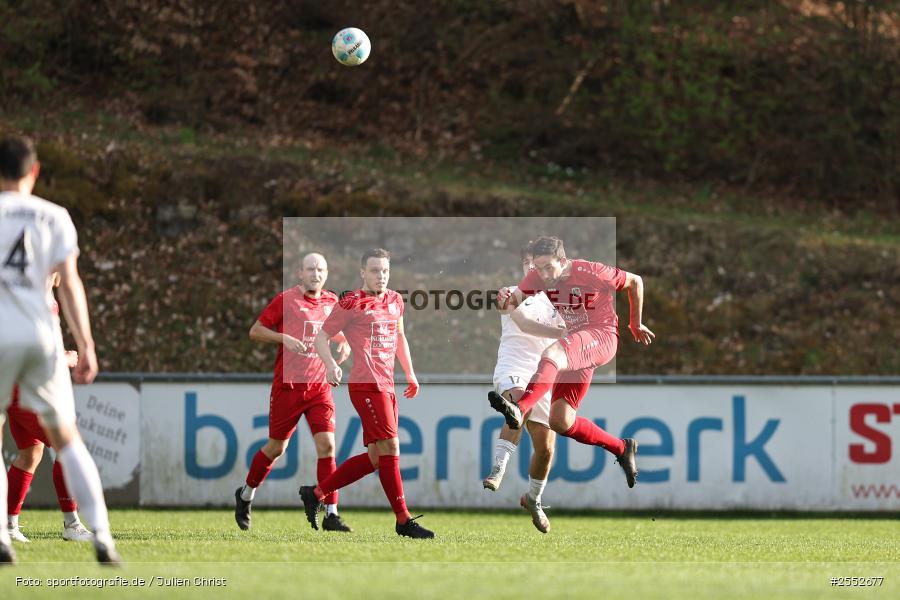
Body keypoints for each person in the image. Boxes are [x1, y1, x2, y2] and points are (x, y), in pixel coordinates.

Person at [0, 135, 120, 565]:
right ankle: (101, 535)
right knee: (67, 438)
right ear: (34, 171)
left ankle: (2, 536)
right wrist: (86, 345)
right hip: (41, 337)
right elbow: (69, 282)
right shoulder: (54, 215)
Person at [488, 235, 655, 490]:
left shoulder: (591, 271)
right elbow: (512, 304)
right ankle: (622, 448)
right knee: (560, 421)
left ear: (563, 260)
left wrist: (635, 323)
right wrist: (503, 299)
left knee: (552, 353)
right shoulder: (537, 277)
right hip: (576, 347)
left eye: (548, 267)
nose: (543, 274)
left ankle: (520, 409)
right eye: (538, 268)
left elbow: (635, 281)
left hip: (601, 336)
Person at [299, 248, 434, 539]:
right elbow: (321, 338)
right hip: (366, 386)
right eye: (374, 271)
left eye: (385, 271)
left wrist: (410, 373)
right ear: (363, 273)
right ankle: (403, 519)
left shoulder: (395, 300)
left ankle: (316, 493)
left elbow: (400, 336)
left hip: (387, 385)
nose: (381, 276)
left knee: (375, 457)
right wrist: (331, 365)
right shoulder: (351, 303)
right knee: (392, 448)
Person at [234, 253, 352, 532]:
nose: (316, 274)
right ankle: (246, 495)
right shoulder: (285, 300)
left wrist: (344, 342)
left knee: (327, 446)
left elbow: (335, 332)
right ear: (300, 273)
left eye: (320, 269)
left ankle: (332, 514)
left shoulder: (331, 301)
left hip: (319, 388)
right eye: (310, 269)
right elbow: (255, 331)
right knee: (277, 448)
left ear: (326, 273)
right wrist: (283, 337)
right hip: (288, 388)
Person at [483, 245, 566, 533]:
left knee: (546, 448)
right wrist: (565, 332)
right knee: (518, 405)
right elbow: (525, 324)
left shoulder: (560, 300)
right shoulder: (509, 293)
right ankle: (499, 466)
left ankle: (533, 499)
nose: (533, 269)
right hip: (514, 367)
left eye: (538, 265)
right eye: (528, 264)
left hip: (543, 373)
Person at [6, 273, 93, 543]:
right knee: (67, 447)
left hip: (20, 387)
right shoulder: (31, 294)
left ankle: (8, 525)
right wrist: (62, 358)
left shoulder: (40, 291)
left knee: (30, 453)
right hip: (25, 388)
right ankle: (72, 524)